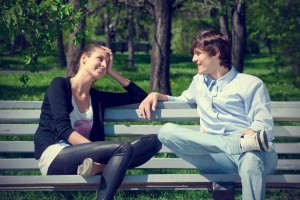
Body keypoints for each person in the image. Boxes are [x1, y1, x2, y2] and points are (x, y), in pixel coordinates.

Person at [138, 29, 278, 200]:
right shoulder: (198, 82)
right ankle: (234, 144)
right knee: (165, 131)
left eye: (198, 54)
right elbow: (183, 100)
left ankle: (239, 146)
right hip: (218, 156)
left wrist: (250, 134)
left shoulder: (250, 84)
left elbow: (263, 125)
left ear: (216, 53)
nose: (193, 59)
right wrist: (156, 95)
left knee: (251, 158)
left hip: (255, 155)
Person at [34, 44, 162, 200]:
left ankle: (98, 168)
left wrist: (112, 72)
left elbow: (139, 96)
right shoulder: (59, 85)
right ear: (84, 58)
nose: (103, 64)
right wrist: (97, 153)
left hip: (87, 161)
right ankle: (102, 169)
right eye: (100, 59)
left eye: (107, 63)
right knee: (123, 148)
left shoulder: (97, 98)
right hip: (55, 157)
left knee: (154, 142)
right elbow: (64, 130)